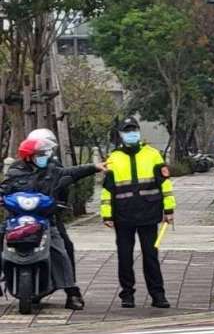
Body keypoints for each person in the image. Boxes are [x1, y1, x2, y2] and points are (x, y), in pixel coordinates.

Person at [1, 136, 102, 310]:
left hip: (45, 220)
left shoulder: (51, 170)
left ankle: (72, 292)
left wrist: (94, 167)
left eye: (44, 154)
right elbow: (4, 189)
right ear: (29, 157)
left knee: (60, 250)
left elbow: (71, 172)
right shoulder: (15, 172)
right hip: (16, 221)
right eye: (40, 154)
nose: (44, 157)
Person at [101, 117, 174, 308]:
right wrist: (106, 215)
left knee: (151, 256)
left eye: (133, 129)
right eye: (127, 130)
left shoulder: (152, 155)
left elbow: (165, 184)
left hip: (149, 214)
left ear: (139, 132)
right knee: (124, 257)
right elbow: (107, 190)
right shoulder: (113, 158)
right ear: (121, 134)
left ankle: (158, 295)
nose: (131, 133)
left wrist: (169, 210)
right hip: (123, 216)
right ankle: (127, 295)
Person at [25, 128, 77, 274]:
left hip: (48, 215)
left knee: (66, 246)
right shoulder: (19, 168)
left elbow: (64, 186)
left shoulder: (55, 168)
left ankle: (70, 287)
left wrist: (60, 204)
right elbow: (9, 186)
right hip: (22, 215)